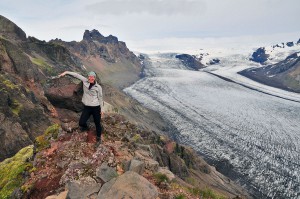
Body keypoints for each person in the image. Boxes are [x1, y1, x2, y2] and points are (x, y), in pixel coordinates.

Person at [58, 71, 104, 144]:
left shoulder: (98, 87)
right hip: (87, 107)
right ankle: (86, 128)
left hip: (96, 107)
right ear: (88, 77)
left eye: (92, 77)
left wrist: (102, 109)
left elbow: (100, 98)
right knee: (81, 122)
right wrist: (66, 72)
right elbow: (76, 75)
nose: (91, 78)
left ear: (94, 78)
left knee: (97, 123)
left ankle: (98, 138)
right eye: (89, 76)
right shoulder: (84, 81)